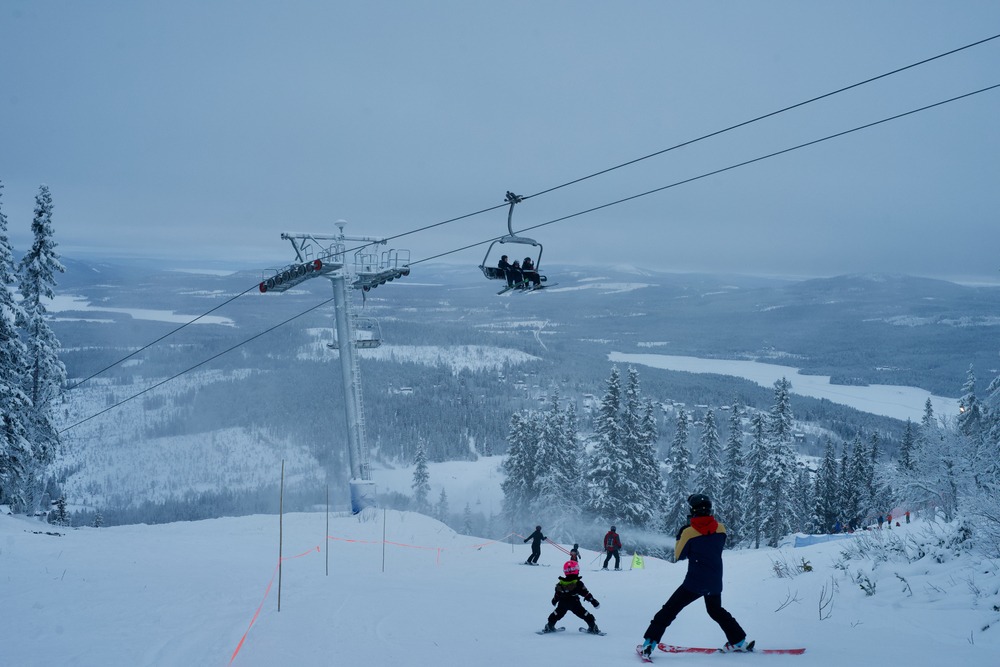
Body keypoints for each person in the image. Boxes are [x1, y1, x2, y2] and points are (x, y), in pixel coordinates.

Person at [638, 494, 751, 658]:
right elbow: (712, 544)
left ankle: (649, 643)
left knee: (669, 610)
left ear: (693, 510)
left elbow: (679, 555)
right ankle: (739, 640)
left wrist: (680, 535)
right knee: (716, 611)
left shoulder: (689, 532)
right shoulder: (721, 528)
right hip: (714, 581)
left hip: (694, 583)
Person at [542, 560, 601, 634]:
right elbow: (586, 594)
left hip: (562, 603)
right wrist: (593, 601)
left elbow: (557, 594)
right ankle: (593, 627)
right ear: (577, 570)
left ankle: (549, 625)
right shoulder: (578, 583)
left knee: (557, 614)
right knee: (584, 614)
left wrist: (554, 600)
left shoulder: (560, 583)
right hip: (574, 603)